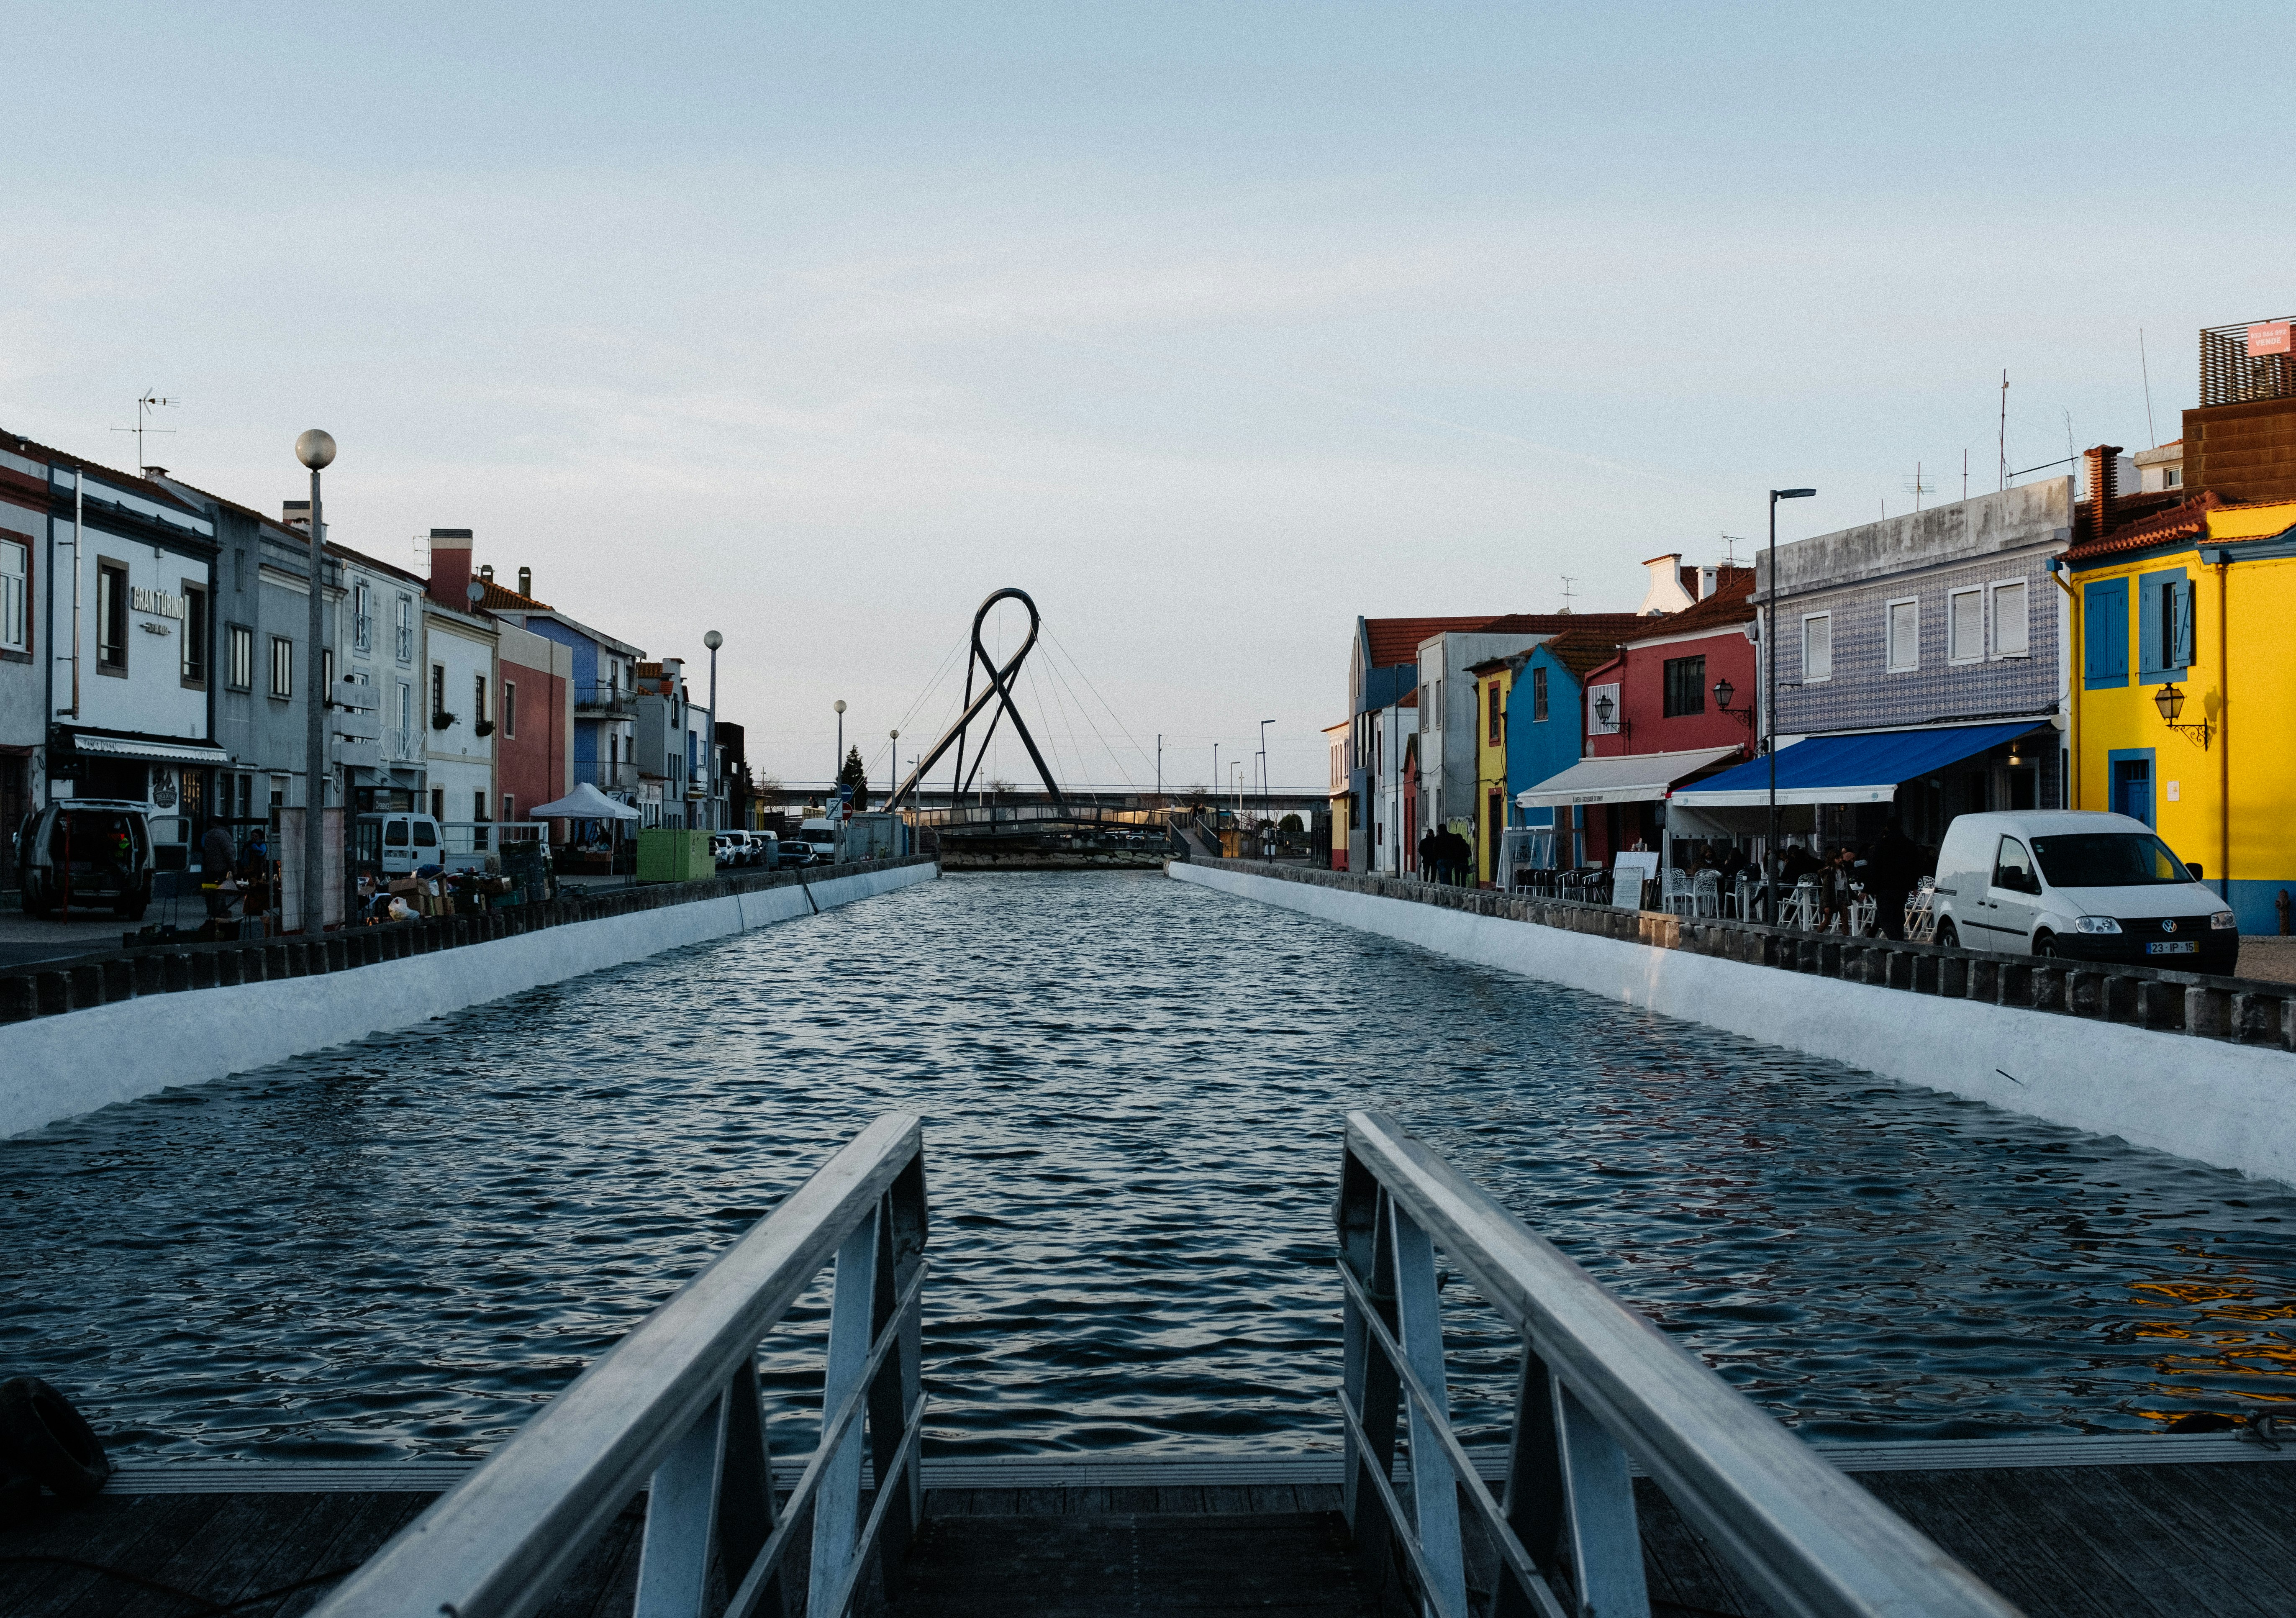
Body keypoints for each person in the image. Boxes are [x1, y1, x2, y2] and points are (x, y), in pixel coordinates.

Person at [200, 818, 237, 924]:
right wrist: (234, 868)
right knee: (221, 889)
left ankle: (212, 909)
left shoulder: (209, 835)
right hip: (222, 867)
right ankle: (219, 911)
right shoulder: (223, 834)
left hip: (210, 866)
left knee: (211, 887)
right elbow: (229, 852)